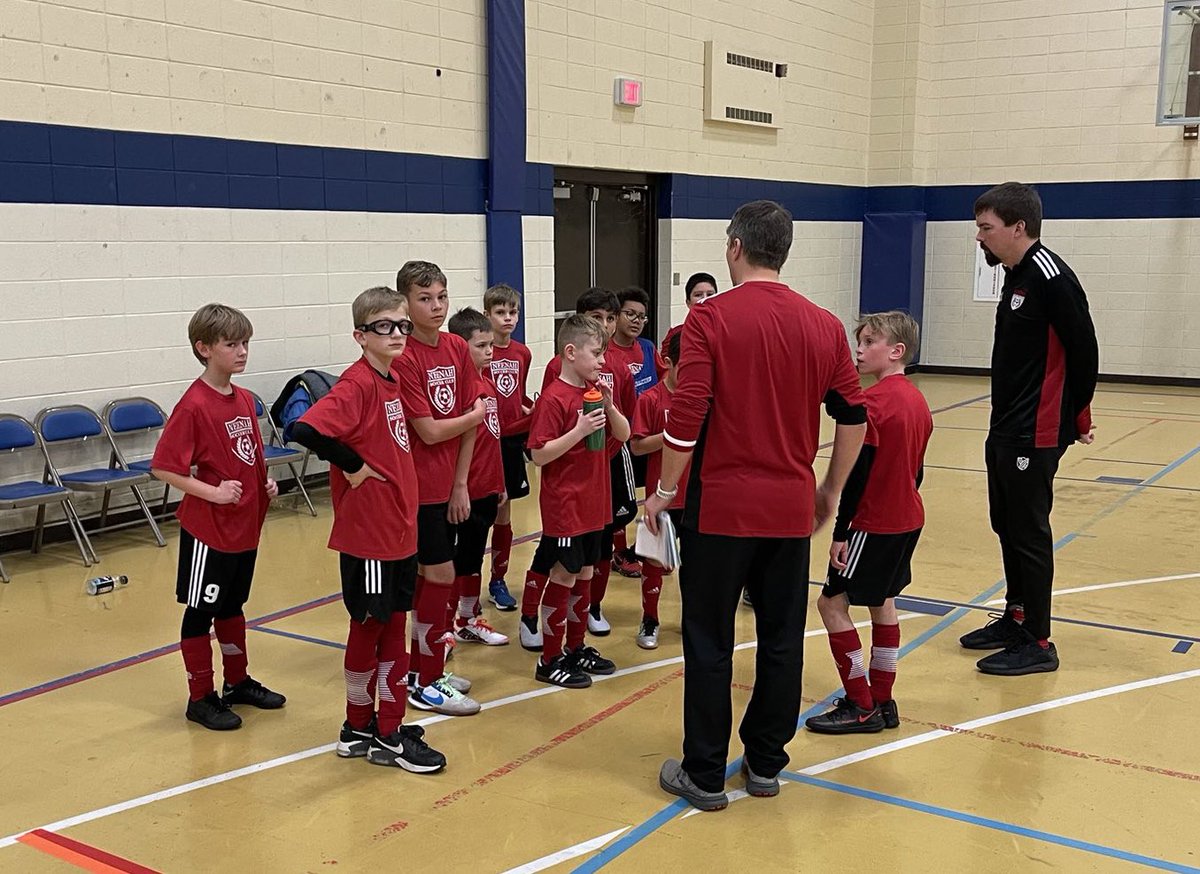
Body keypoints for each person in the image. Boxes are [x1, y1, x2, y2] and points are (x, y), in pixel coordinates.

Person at [643, 200, 868, 812]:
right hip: (790, 511)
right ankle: (766, 763)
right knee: (781, 639)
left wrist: (664, 492)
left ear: (735, 247)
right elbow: (854, 414)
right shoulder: (823, 325)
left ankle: (704, 772)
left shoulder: (709, 319)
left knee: (710, 640)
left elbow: (686, 416)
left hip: (721, 510)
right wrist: (829, 490)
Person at [291, 287, 446, 772]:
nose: (397, 333)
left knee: (393, 625)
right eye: (384, 326)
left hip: (398, 528)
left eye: (402, 325)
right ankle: (370, 728)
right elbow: (304, 429)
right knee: (371, 627)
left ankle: (376, 727)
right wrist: (353, 465)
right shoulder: (357, 383)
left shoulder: (392, 378)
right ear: (361, 335)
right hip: (371, 533)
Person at [960, 182, 1099, 675]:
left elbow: (1084, 351)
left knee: (1029, 533)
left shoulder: (1051, 277)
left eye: (986, 227)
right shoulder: (1015, 275)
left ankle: (1038, 641)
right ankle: (1017, 617)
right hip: (1006, 425)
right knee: (1006, 524)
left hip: (1035, 430)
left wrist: (1076, 416)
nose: (979, 237)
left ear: (1018, 227)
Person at [151, 304, 284, 731]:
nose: (242, 351)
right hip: (209, 530)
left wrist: (265, 483)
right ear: (204, 348)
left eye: (245, 343)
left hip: (244, 527)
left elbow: (245, 456)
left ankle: (237, 681)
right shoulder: (193, 405)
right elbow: (164, 468)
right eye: (232, 344)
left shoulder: (244, 399)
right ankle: (200, 697)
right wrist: (215, 493)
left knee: (232, 606)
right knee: (201, 611)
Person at [804, 311, 932, 735]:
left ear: (896, 351)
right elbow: (917, 471)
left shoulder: (871, 405)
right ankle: (883, 699)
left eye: (869, 342)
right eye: (858, 341)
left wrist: (842, 533)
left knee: (830, 604)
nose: (858, 350)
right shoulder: (918, 401)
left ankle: (860, 702)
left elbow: (857, 476)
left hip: (874, 523)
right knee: (883, 602)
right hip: (909, 518)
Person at [392, 261, 487, 715]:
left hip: (447, 484)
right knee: (440, 577)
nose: (436, 306)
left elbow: (470, 422)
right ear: (405, 304)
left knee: (431, 580)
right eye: (425, 298)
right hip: (416, 488)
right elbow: (429, 431)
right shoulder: (404, 356)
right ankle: (425, 681)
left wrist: (461, 483)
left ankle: (421, 670)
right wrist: (473, 416)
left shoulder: (455, 347)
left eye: (442, 296)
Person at [519, 288, 636, 647]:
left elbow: (625, 434)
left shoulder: (593, 391)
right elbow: (538, 455)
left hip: (594, 502)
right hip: (567, 504)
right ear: (571, 353)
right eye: (597, 354)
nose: (603, 361)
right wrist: (579, 431)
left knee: (585, 572)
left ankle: (575, 647)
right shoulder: (554, 397)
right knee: (565, 574)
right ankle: (551, 657)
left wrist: (611, 407)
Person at [446, 307, 509, 646]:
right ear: (460, 346)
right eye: (481, 346)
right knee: (453, 561)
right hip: (463, 490)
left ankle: (468, 619)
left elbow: (492, 439)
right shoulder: (457, 389)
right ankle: (445, 625)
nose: (489, 352)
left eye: (491, 345)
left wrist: (499, 483)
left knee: (472, 558)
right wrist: (459, 487)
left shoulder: (488, 383)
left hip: (487, 486)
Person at [629, 329, 688, 650]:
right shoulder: (651, 399)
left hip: (697, 496)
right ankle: (649, 619)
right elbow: (637, 446)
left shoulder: (701, 400)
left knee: (698, 564)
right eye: (685, 367)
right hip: (661, 496)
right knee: (654, 561)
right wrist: (672, 435)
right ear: (668, 363)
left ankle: (692, 620)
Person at [604, 286, 668, 580]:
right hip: (622, 438)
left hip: (649, 435)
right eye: (630, 314)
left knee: (657, 494)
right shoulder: (606, 353)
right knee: (622, 502)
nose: (636, 321)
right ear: (616, 316)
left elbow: (665, 381)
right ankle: (619, 553)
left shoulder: (648, 348)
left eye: (641, 316)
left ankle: (649, 551)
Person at [482, 283, 534, 612]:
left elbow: (518, 394)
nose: (508, 318)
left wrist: (530, 412)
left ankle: (498, 580)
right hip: (484, 440)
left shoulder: (522, 353)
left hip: (511, 441)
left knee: (505, 510)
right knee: (479, 515)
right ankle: (466, 582)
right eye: (500, 312)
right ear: (487, 314)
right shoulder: (480, 351)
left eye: (513, 312)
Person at [662, 272, 719, 353]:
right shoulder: (676, 334)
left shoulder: (726, 331)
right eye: (698, 295)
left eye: (710, 294)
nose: (704, 299)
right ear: (688, 302)